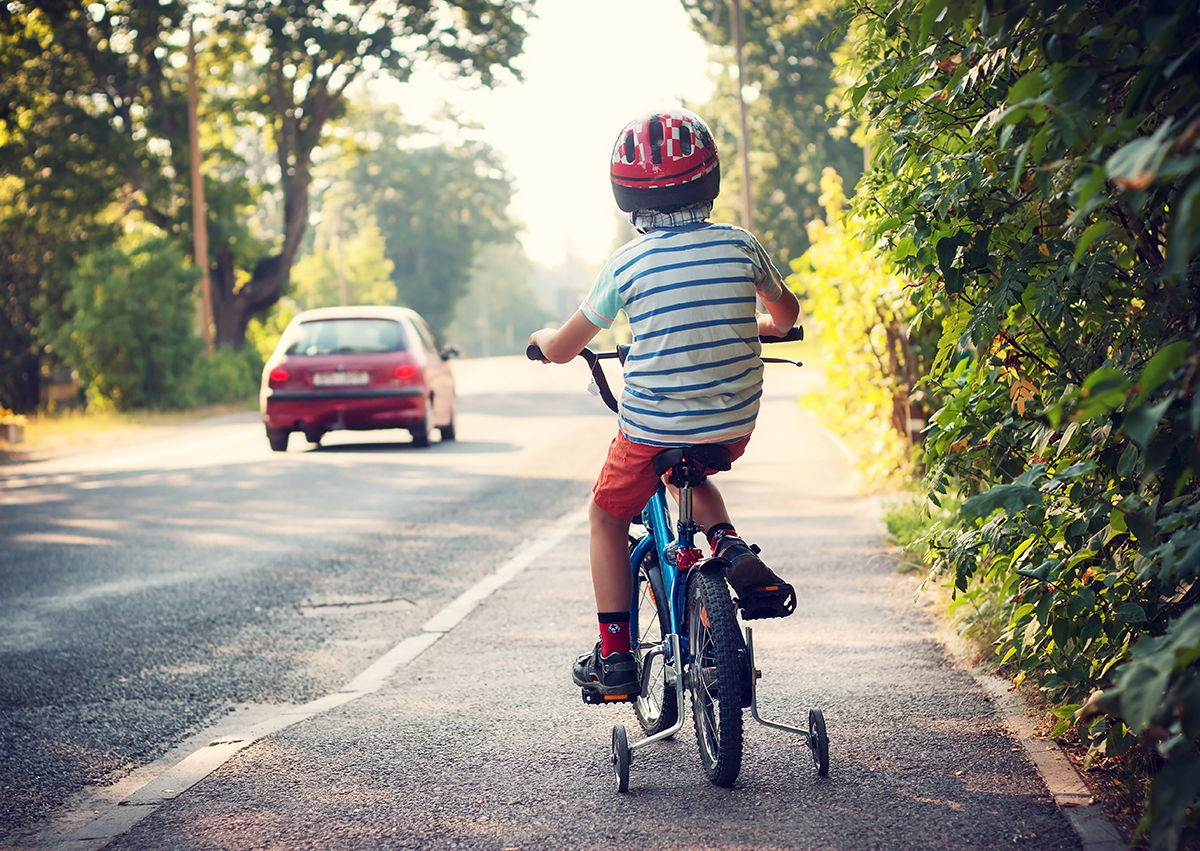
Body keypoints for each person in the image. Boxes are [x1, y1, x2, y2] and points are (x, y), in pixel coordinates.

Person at [528, 108, 801, 698]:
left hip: (651, 428)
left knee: (605, 515)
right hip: (731, 424)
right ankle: (727, 543)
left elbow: (567, 346)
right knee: (691, 467)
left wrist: (545, 343)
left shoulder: (626, 265)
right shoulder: (741, 245)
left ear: (625, 194)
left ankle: (617, 657)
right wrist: (764, 326)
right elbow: (786, 315)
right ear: (710, 177)